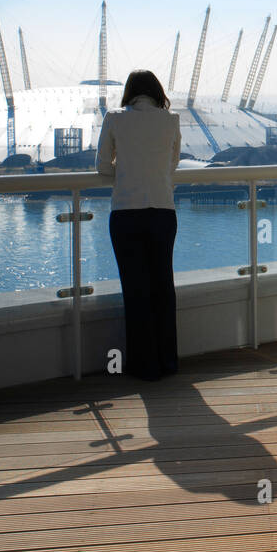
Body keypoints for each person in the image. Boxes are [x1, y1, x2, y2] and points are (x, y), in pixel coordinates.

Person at [96, 69, 181, 380]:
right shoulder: (171, 119)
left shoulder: (115, 117)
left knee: (136, 290)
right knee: (163, 287)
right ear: (157, 91)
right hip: (162, 210)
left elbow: (103, 165)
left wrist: (128, 166)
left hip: (126, 211)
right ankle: (168, 361)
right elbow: (172, 164)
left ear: (130, 92)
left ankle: (144, 366)